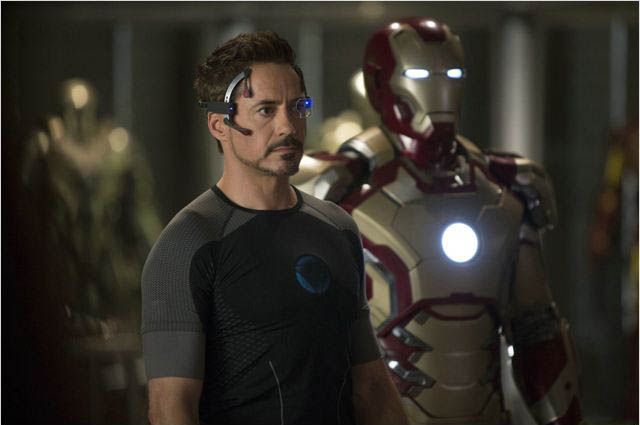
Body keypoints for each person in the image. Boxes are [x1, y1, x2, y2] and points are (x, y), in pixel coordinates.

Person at [292, 18, 584, 425]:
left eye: (452, 74)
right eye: (419, 75)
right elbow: (297, 334)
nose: (439, 88)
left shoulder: (506, 190)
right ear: (381, 83)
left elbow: (537, 331)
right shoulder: (335, 186)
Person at [141, 31, 408, 425]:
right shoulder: (189, 243)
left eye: (297, 106)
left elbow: (371, 386)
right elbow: (170, 409)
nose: (288, 126)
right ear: (219, 124)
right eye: (266, 110)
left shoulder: (337, 228)